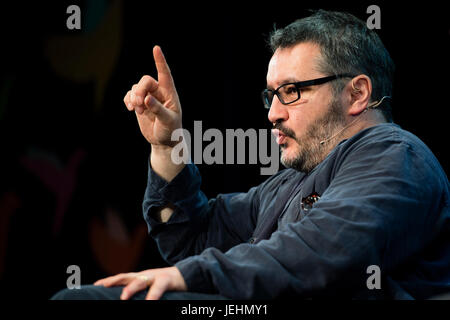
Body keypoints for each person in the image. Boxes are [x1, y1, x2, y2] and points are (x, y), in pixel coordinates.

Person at [52, 10, 450, 300]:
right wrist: (166, 145)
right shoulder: (292, 182)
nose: (274, 113)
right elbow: (195, 239)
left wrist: (191, 276)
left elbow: (322, 252)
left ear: (357, 93)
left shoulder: (395, 157)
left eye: (292, 92)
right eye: (270, 96)